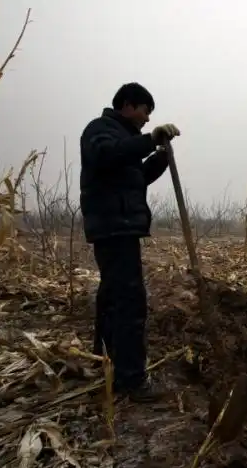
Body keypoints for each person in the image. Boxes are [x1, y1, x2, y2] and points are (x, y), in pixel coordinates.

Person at [79, 82, 180, 402]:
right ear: (128, 105)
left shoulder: (124, 139)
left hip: (120, 227)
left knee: (112, 298)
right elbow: (108, 156)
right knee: (130, 302)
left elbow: (134, 178)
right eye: (145, 111)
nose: (148, 119)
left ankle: (106, 358)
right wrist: (148, 141)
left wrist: (160, 158)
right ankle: (131, 380)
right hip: (114, 227)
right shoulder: (101, 130)